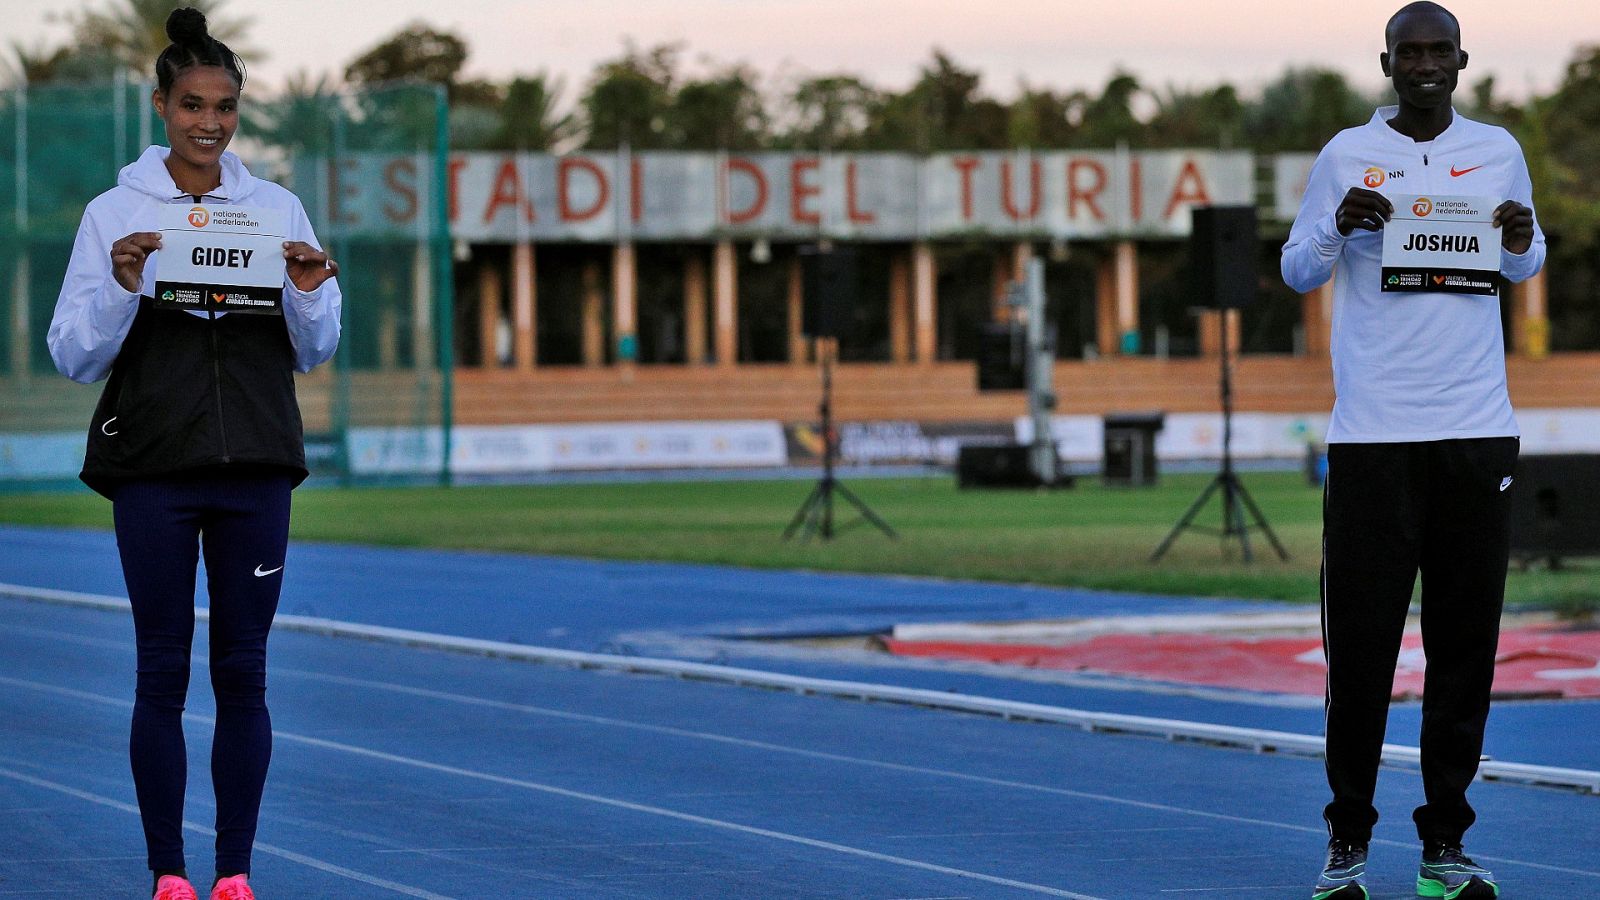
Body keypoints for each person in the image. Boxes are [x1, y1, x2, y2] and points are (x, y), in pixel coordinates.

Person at [46, 8, 340, 900]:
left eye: (224, 107)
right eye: (191, 105)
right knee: (160, 668)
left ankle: (235, 874)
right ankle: (170, 873)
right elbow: (72, 353)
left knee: (244, 674)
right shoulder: (114, 212)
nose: (208, 122)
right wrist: (126, 288)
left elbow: (317, 346)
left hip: (256, 467)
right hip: (155, 473)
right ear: (161, 106)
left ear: (239, 111)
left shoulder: (277, 206)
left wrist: (307, 291)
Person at [1281, 3, 1541, 898]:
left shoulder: (1500, 148)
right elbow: (1297, 268)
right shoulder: (1346, 153)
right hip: (1374, 438)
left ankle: (1445, 847)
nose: (1425, 64)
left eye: (1440, 51)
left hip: (1475, 431)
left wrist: (1517, 237)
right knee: (1362, 654)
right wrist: (1337, 224)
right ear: (1386, 62)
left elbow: (1524, 259)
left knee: (1465, 650)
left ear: (1462, 62)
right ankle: (1347, 842)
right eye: (1410, 52)